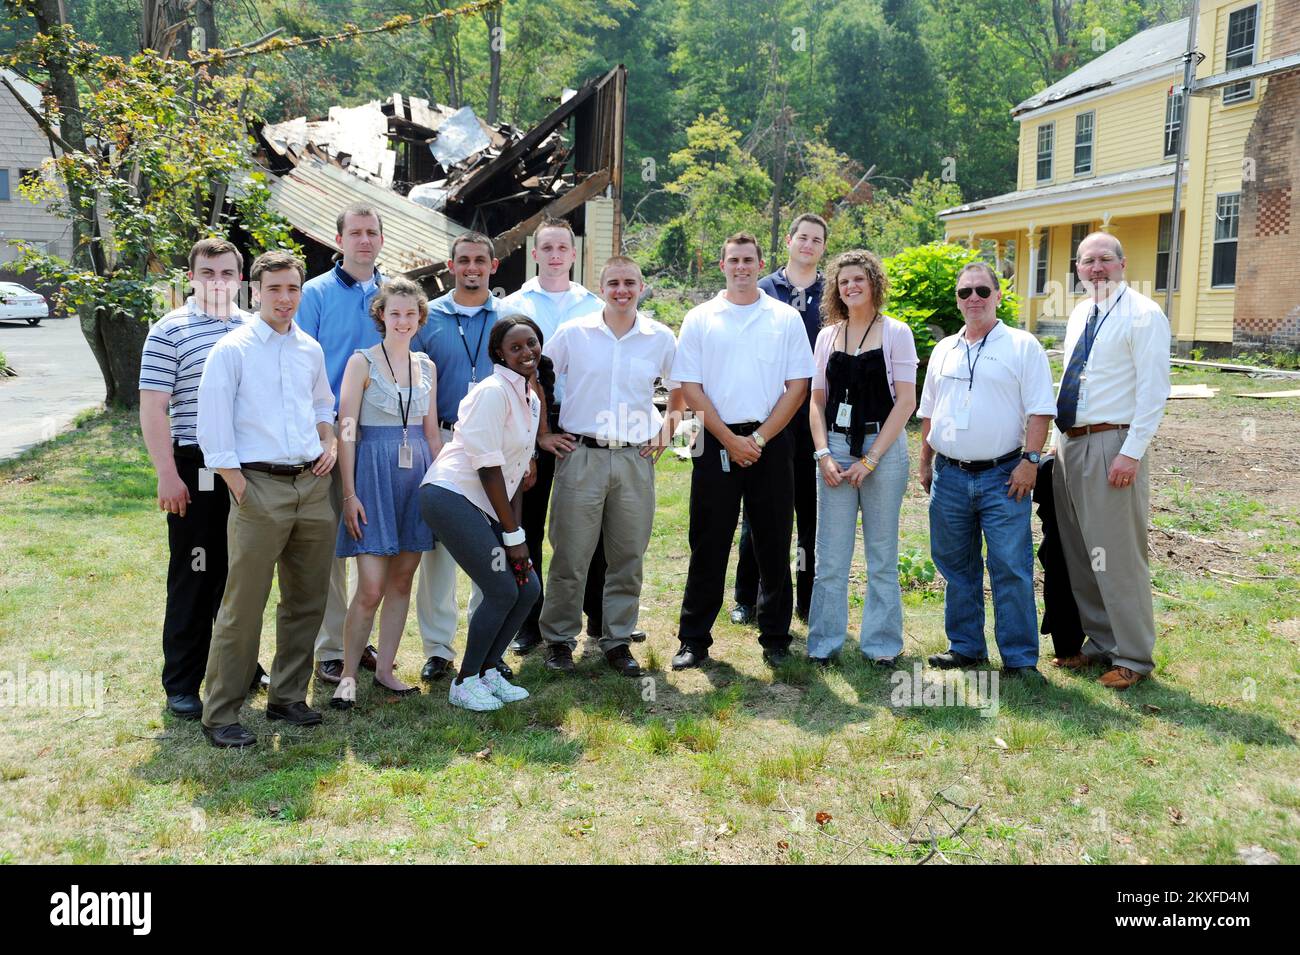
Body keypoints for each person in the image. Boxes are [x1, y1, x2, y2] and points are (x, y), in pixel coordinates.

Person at [196, 250, 337, 747]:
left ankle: (288, 697)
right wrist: (241, 489)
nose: (284, 298)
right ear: (255, 291)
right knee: (244, 604)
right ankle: (222, 712)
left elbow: (324, 403)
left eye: (293, 288)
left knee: (306, 599)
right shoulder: (232, 350)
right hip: (257, 487)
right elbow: (212, 431)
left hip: (313, 486)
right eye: (274, 288)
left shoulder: (310, 349)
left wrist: (332, 441)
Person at [670, 232, 815, 670]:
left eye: (748, 260)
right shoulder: (700, 317)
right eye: (733, 260)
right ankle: (694, 639)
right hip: (715, 439)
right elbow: (690, 387)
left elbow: (798, 386)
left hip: (771, 441)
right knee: (709, 541)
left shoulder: (784, 318)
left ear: (759, 263)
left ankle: (775, 635)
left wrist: (759, 439)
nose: (741, 267)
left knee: (773, 540)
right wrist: (731, 440)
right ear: (722, 265)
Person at [536, 257, 683, 676]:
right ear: (601, 287)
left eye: (630, 283)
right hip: (581, 455)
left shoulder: (660, 337)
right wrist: (543, 433)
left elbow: (680, 388)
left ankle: (617, 640)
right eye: (614, 283)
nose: (622, 290)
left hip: (635, 457)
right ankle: (560, 640)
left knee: (628, 554)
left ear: (642, 287)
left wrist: (667, 430)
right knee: (570, 555)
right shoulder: (575, 333)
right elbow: (537, 379)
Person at [139, 237, 264, 720]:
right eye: (207, 273)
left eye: (226, 273)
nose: (217, 282)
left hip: (249, 466)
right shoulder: (169, 330)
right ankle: (183, 681)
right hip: (196, 466)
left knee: (243, 574)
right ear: (191, 277)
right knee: (195, 572)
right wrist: (167, 475)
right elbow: (154, 409)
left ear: (240, 279)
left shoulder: (253, 329)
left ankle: (240, 666)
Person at [917, 261, 1056, 679]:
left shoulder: (1022, 345)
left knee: (1010, 566)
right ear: (957, 301)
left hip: (1005, 476)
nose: (973, 298)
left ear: (997, 296)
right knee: (956, 564)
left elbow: (1039, 409)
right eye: (965, 293)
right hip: (950, 475)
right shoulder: (944, 350)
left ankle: (1018, 659)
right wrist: (925, 462)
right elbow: (929, 412)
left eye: (982, 291)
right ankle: (966, 647)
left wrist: (1030, 462)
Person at [500, 218, 631, 655]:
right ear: (533, 254)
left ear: (574, 255)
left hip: (579, 426)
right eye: (547, 248)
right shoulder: (513, 305)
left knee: (588, 527)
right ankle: (528, 621)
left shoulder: (594, 306)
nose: (555, 255)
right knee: (530, 521)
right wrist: (536, 433)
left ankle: (597, 615)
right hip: (527, 422)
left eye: (563, 247)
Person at [1052, 232, 1170, 689]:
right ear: (1078, 269)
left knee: (1117, 556)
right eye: (1087, 261)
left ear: (1122, 264)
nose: (1095, 268)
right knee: (1082, 552)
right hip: (1072, 443)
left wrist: (1130, 453)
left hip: (1112, 445)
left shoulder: (1143, 315)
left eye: (1104, 259)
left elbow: (1154, 391)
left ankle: (1135, 657)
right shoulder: (1082, 312)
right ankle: (1101, 644)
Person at [418, 315, 543, 711]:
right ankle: (465, 681)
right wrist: (512, 537)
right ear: (499, 354)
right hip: (451, 495)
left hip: (488, 502)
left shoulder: (531, 398)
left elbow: (518, 476)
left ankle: (489, 671)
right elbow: (487, 467)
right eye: (516, 347)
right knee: (503, 588)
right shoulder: (492, 392)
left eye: (532, 343)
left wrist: (516, 531)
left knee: (528, 589)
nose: (526, 352)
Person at [330, 279, 443, 709]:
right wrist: (349, 493)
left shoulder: (426, 366)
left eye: (410, 314)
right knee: (371, 587)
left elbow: (431, 434)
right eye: (394, 313)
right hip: (372, 475)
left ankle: (386, 669)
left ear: (420, 318)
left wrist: (441, 484)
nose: (402, 321)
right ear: (381, 315)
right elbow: (346, 429)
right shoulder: (361, 362)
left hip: (416, 478)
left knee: (401, 580)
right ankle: (346, 675)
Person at [410, 232, 514, 683]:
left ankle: (486, 643)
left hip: (495, 447)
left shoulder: (507, 319)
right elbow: (416, 384)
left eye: (480, 260)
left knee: (489, 549)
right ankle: (437, 647)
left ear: (493, 266)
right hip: (445, 441)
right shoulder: (429, 317)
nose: (472, 267)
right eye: (463, 260)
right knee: (439, 553)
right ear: (450, 267)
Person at [806, 250, 917, 666]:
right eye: (844, 281)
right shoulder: (827, 336)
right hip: (833, 449)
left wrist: (870, 460)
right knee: (830, 557)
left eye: (859, 279)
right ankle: (823, 643)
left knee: (882, 555)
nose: (851, 286)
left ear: (874, 283)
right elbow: (816, 401)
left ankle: (882, 646)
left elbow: (906, 402)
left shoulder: (895, 332)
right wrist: (822, 454)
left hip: (882, 453)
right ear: (836, 288)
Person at [299, 203, 385, 685]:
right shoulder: (314, 294)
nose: (364, 241)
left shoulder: (392, 293)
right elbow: (302, 364)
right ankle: (330, 647)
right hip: (330, 431)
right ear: (339, 240)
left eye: (372, 233)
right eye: (355, 233)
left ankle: (359, 639)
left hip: (381, 434)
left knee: (371, 536)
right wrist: (319, 430)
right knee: (331, 544)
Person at [733, 213, 828, 626]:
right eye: (802, 237)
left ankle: (806, 599)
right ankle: (747, 597)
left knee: (811, 512)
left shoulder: (832, 294)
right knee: (758, 513)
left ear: (823, 247)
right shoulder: (764, 289)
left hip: (815, 416)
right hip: (769, 416)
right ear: (789, 241)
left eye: (816, 239)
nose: (807, 245)